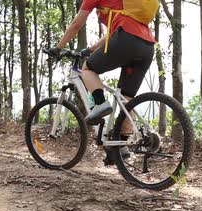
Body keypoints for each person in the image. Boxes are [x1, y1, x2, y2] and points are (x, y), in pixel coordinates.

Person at [46, 0, 156, 133]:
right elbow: (112, 31)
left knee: (87, 69)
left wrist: (58, 48)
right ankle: (121, 149)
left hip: (127, 38)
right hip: (147, 46)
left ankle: (100, 103)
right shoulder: (126, 6)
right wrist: (91, 49)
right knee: (126, 100)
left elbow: (76, 24)